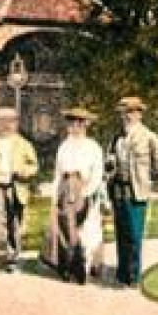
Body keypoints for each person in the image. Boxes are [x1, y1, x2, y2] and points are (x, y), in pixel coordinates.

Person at [108, 96, 158, 287]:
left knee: (134, 235)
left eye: (130, 112)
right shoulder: (116, 138)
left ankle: (134, 276)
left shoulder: (149, 137)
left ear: (139, 114)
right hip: (118, 190)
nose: (126, 117)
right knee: (121, 233)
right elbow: (109, 161)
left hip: (137, 192)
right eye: (124, 113)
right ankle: (122, 273)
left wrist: (145, 181)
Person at [45, 107, 105, 284]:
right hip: (65, 187)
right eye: (72, 123)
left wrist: (87, 193)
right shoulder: (64, 146)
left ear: (86, 125)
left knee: (85, 228)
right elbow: (57, 173)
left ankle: (84, 266)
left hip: (83, 188)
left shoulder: (93, 147)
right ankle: (67, 266)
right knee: (65, 227)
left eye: (79, 123)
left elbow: (97, 174)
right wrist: (55, 196)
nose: (75, 127)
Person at [0, 106, 38, 275]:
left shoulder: (23, 144)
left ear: (16, 122)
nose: (7, 124)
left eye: (11, 120)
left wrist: (22, 171)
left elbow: (33, 166)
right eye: (3, 120)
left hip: (15, 187)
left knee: (14, 225)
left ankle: (13, 260)